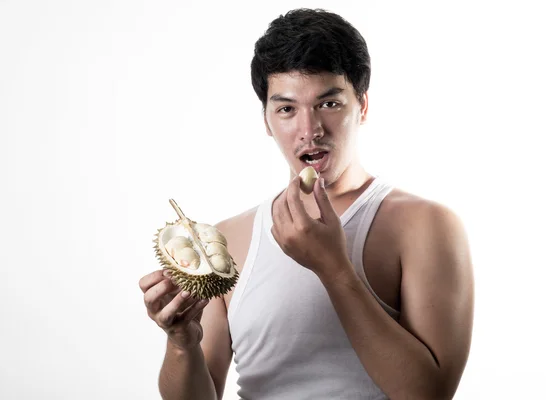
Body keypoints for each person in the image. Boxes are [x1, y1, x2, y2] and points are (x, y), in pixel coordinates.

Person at [139, 8, 474, 400]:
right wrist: (181, 342)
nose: (309, 129)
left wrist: (333, 267)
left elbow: (429, 394)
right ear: (266, 120)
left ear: (362, 106)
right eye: (286, 109)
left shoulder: (425, 225)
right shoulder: (229, 239)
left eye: (329, 104)